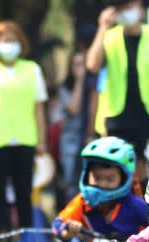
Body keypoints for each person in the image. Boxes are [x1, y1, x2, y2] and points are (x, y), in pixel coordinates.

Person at [0, 21, 48, 236]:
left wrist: (42, 140)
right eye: (4, 41)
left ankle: (24, 234)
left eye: (13, 40)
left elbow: (39, 109)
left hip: (25, 138)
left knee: (24, 190)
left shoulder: (32, 69)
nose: (9, 45)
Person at [86, 0, 149, 168]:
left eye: (128, 6)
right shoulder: (109, 37)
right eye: (120, 8)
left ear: (139, 6)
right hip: (116, 118)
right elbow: (92, 66)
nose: (125, 12)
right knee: (116, 170)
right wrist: (102, 28)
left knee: (147, 171)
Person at [52, 136, 147, 242]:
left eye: (110, 179)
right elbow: (58, 223)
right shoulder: (84, 202)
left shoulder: (134, 204)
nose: (102, 184)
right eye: (97, 178)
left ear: (124, 178)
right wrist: (66, 232)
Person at [54, 51, 88, 200]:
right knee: (71, 183)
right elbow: (74, 108)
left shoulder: (95, 88)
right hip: (70, 140)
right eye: (76, 65)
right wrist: (80, 81)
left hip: (87, 138)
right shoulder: (65, 88)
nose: (80, 69)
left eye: (83, 64)